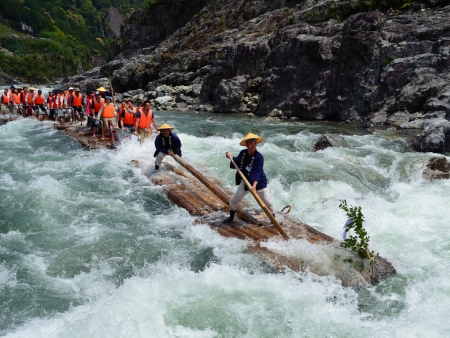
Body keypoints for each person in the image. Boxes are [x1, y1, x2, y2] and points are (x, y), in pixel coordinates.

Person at [223, 132, 274, 223]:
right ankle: (231, 218)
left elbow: (257, 172)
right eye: (251, 143)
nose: (253, 146)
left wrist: (254, 185)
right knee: (233, 202)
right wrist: (230, 157)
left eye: (254, 143)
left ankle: (273, 219)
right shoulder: (243, 153)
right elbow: (237, 162)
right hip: (245, 181)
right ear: (246, 145)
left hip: (259, 183)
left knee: (269, 204)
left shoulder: (259, 157)